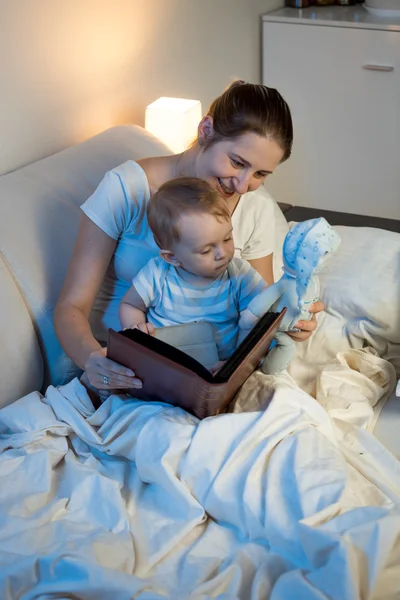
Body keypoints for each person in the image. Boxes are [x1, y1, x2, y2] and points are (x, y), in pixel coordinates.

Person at [54, 80, 324, 394]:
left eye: (261, 174)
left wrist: (291, 323)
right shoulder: (127, 189)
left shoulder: (256, 207)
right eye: (237, 162)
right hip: (129, 370)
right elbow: (70, 307)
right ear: (206, 129)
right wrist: (93, 360)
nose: (242, 185)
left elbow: (258, 313)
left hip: (211, 372)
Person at [119, 177, 267, 365]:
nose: (222, 253)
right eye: (206, 250)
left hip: (222, 367)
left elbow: (264, 310)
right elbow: (131, 305)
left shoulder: (238, 274)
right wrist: (135, 328)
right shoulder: (157, 274)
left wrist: (236, 362)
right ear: (172, 257)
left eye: (227, 238)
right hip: (167, 365)